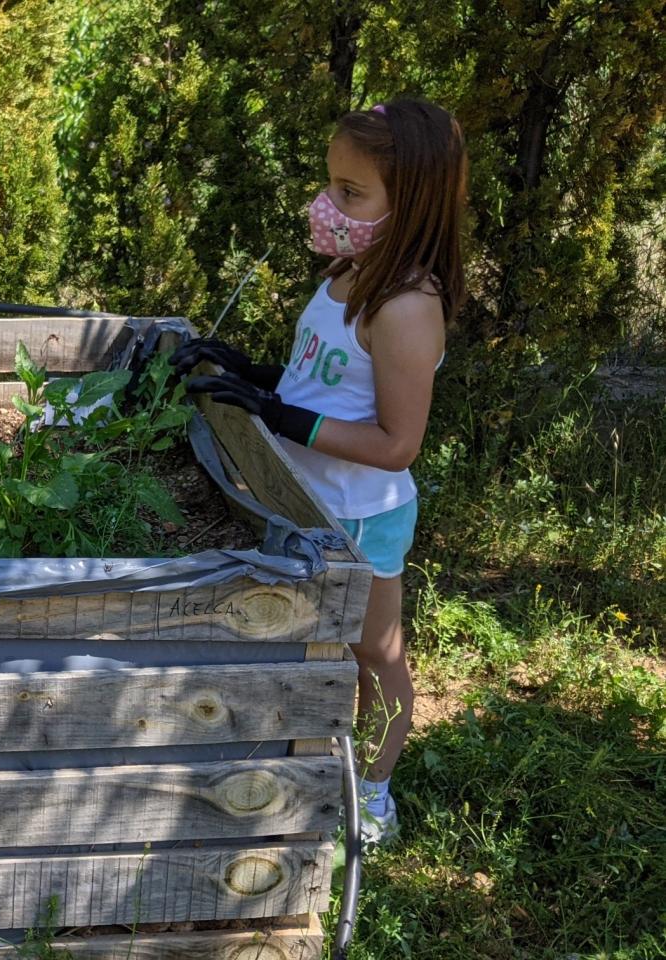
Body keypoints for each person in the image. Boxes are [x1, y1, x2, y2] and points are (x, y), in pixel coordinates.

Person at [173, 98, 467, 847]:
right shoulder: (348, 273)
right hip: (306, 498)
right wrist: (255, 378)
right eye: (331, 183)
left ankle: (374, 791)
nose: (327, 204)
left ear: (415, 205)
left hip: (360, 513)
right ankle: (320, 757)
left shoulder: (406, 305)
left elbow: (397, 442)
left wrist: (277, 417)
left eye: (351, 192)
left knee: (376, 653)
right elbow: (322, 384)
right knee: (319, 646)